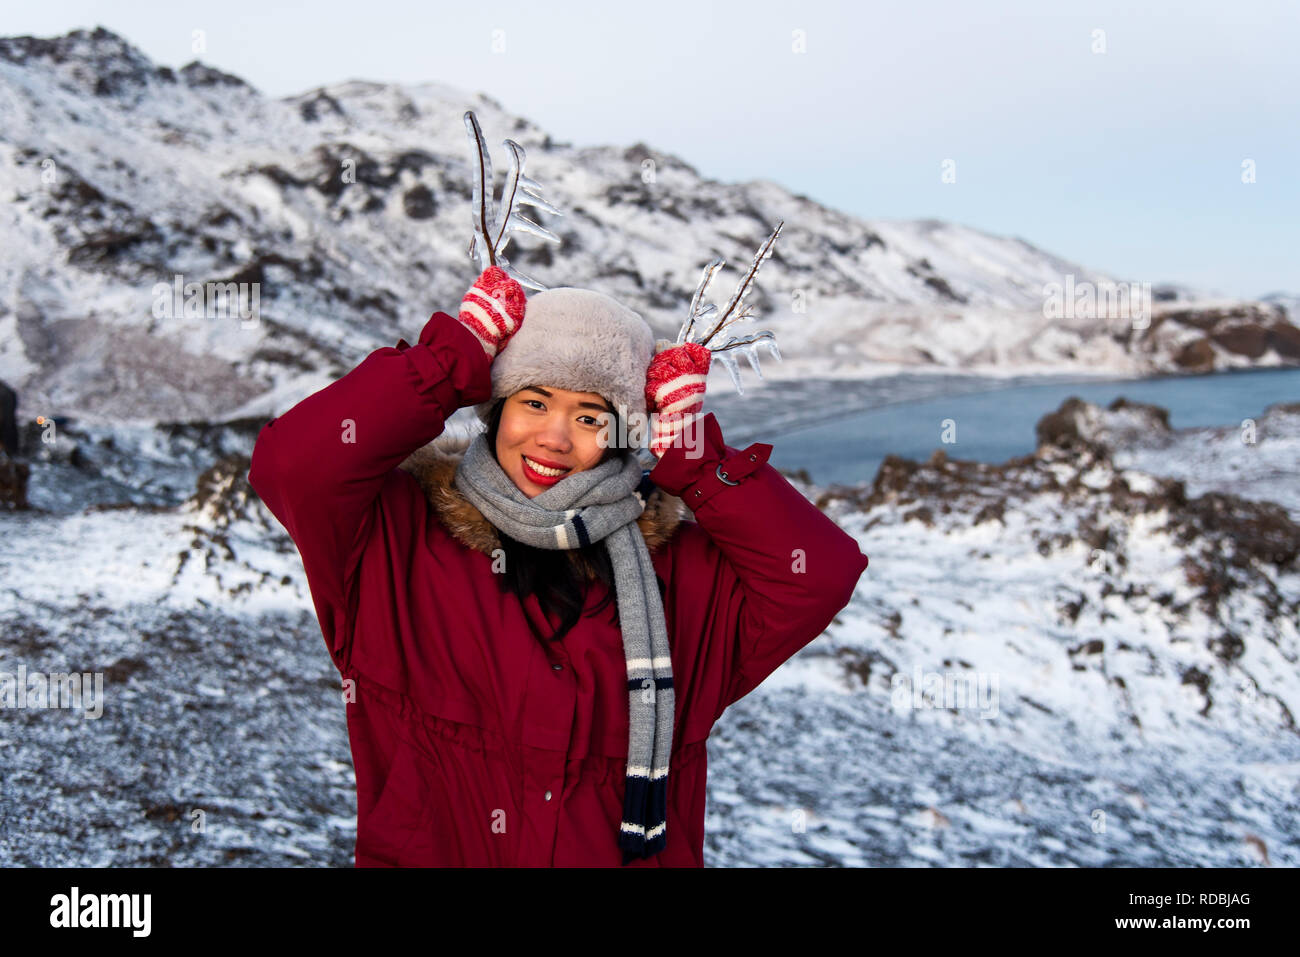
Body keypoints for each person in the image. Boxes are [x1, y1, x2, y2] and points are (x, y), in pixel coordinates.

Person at [247, 265, 870, 866]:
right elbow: (293, 467)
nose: (555, 437)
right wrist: (446, 362)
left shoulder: (682, 579)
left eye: (590, 416)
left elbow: (818, 576)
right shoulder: (398, 544)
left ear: (623, 433)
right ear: (496, 408)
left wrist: (696, 456)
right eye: (535, 402)